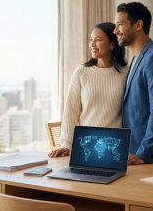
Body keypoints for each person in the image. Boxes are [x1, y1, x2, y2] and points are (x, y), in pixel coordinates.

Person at [49, 22, 128, 158]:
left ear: (112, 44)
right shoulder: (81, 72)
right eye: (91, 40)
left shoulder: (126, 73)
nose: (91, 44)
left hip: (114, 147)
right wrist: (66, 144)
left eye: (97, 40)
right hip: (87, 148)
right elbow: (71, 111)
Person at [113, 2, 153, 164]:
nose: (115, 31)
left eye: (120, 24)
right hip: (135, 153)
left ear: (138, 25)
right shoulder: (136, 58)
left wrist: (144, 153)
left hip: (152, 157)